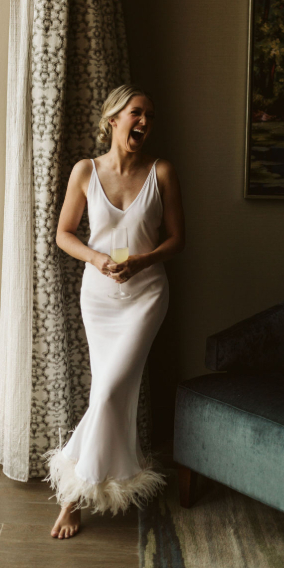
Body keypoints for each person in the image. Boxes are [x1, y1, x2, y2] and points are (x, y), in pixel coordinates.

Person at [47, 85, 185, 538]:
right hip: (99, 299)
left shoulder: (161, 171)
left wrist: (142, 260)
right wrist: (96, 258)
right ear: (113, 120)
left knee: (107, 393)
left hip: (146, 298)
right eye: (136, 114)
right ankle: (82, 489)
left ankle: (73, 496)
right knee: (108, 394)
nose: (144, 122)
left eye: (149, 115)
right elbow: (64, 234)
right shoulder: (85, 171)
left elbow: (177, 239)